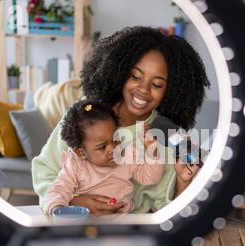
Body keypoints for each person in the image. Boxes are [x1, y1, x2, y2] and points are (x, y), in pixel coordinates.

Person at [32, 26, 209, 214]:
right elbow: (45, 169)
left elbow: (167, 209)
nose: (143, 89)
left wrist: (183, 181)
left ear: (171, 90)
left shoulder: (166, 135)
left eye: (156, 84)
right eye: (135, 76)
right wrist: (74, 202)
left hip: (129, 230)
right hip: (75, 226)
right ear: (120, 72)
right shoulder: (87, 115)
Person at [44, 99, 164, 215]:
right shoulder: (76, 165)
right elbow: (58, 191)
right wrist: (57, 209)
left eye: (116, 140)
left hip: (122, 221)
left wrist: (151, 151)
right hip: (85, 222)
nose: (113, 149)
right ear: (81, 153)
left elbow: (149, 178)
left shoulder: (126, 154)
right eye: (102, 147)